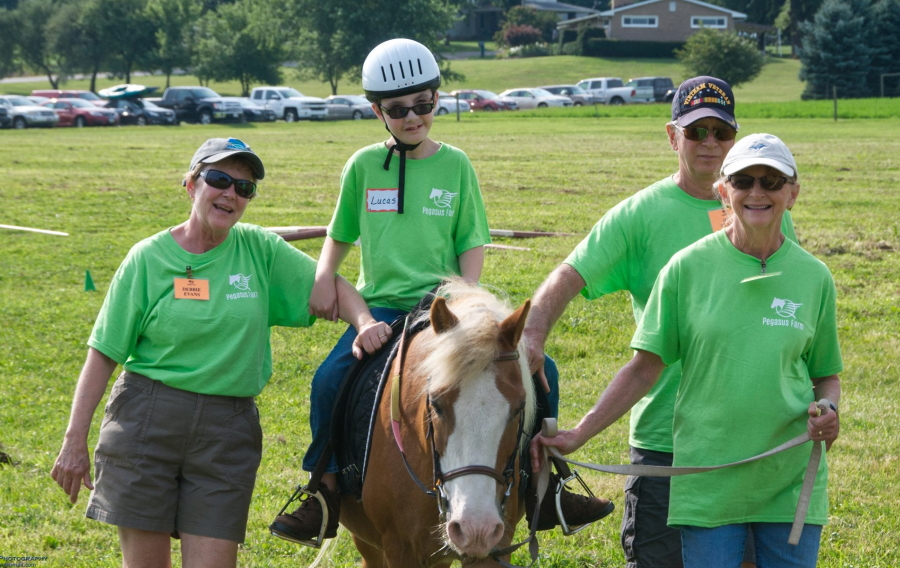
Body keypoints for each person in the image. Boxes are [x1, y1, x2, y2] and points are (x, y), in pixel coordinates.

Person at [270, 38, 611, 545]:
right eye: (399, 109)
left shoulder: (456, 165)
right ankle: (323, 488)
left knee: (544, 371)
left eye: (424, 105)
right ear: (376, 111)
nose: (414, 118)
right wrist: (325, 277)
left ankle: (550, 481)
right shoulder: (362, 166)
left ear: (436, 99)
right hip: (384, 304)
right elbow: (340, 234)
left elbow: (471, 240)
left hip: (448, 308)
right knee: (329, 377)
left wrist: (468, 302)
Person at [50, 137, 390, 568]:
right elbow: (103, 353)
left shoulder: (259, 250)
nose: (231, 193)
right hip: (146, 421)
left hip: (226, 431)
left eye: (244, 188)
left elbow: (333, 287)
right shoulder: (147, 259)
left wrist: (364, 323)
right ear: (191, 185)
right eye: (219, 179)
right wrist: (73, 439)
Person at [522, 77, 797, 567]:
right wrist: (532, 335)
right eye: (697, 132)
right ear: (673, 137)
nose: (710, 142)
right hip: (667, 441)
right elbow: (568, 274)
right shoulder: (638, 216)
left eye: (721, 131)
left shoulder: (759, 204)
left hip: (751, 437)